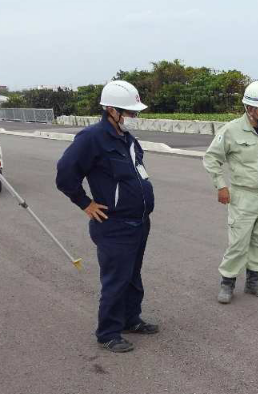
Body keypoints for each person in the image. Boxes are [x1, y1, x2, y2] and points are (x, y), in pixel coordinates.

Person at [56, 80, 157, 353]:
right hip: (114, 225)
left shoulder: (126, 138)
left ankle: (130, 320)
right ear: (111, 110)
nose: (133, 117)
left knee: (133, 275)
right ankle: (108, 333)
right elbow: (65, 174)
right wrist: (85, 203)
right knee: (116, 278)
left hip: (139, 221)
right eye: (129, 112)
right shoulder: (92, 138)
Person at [203, 81, 258, 304]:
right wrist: (221, 186)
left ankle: (254, 282)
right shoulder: (231, 130)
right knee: (238, 242)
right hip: (243, 195)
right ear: (249, 109)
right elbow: (211, 158)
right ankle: (227, 283)